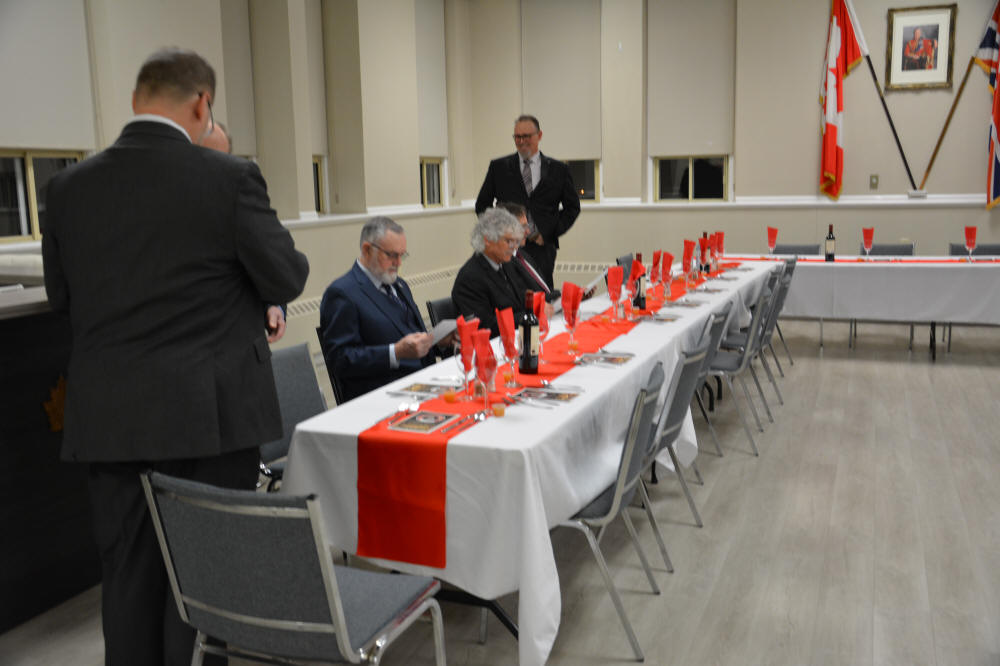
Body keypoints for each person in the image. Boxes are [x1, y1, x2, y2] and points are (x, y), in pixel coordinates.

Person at [41, 47, 309, 665]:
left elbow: (62, 297)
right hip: (207, 418)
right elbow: (286, 275)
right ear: (202, 104)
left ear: (136, 100)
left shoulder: (66, 188)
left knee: (128, 576)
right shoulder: (229, 179)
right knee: (207, 577)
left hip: (110, 420)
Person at [320, 216, 449, 402]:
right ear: (367, 250)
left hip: (424, 385)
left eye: (402, 255)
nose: (399, 263)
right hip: (382, 396)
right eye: (392, 255)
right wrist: (394, 353)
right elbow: (340, 360)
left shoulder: (400, 285)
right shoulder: (343, 293)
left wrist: (435, 342)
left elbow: (408, 336)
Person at [475, 114, 580, 288]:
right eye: (517, 137)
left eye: (527, 136)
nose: (522, 141)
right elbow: (482, 205)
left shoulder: (559, 170)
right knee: (509, 293)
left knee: (542, 293)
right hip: (508, 249)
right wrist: (499, 234)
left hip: (542, 250)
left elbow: (573, 207)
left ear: (539, 135)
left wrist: (549, 233)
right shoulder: (499, 168)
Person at [451, 207, 534, 337]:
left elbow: (521, 301)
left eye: (516, 241)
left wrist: (539, 306)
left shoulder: (507, 264)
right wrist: (528, 316)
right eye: (508, 241)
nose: (514, 247)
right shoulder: (470, 278)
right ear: (488, 240)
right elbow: (485, 326)